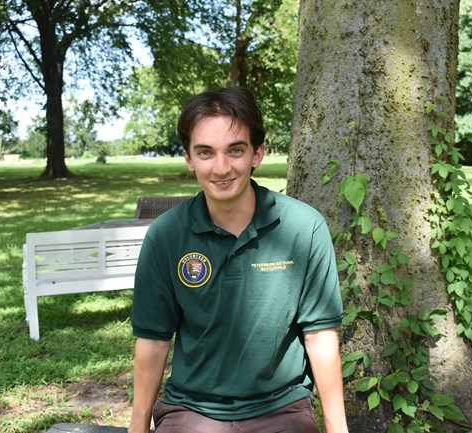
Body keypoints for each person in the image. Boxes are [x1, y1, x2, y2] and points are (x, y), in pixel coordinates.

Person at [128, 87, 348, 433]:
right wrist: (137, 429)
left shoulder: (304, 228)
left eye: (235, 150)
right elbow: (154, 341)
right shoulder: (166, 235)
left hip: (280, 408)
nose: (221, 167)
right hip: (192, 408)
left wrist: (338, 430)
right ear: (188, 158)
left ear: (257, 154)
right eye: (205, 152)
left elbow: (320, 336)